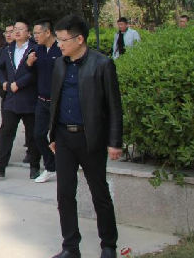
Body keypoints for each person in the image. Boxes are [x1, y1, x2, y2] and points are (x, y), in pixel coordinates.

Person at [49, 14, 123, 258]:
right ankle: (70, 247)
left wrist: (114, 142)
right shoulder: (60, 64)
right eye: (58, 40)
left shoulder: (102, 64)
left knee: (99, 193)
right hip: (64, 138)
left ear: (79, 39)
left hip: (91, 138)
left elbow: (114, 107)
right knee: (64, 194)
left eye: (63, 40)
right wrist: (52, 135)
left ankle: (108, 245)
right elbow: (55, 101)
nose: (59, 45)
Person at [0, 20, 41, 179]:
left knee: (32, 134)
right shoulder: (8, 50)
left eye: (21, 29)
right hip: (11, 98)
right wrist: (4, 82)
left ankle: (34, 167)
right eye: (15, 29)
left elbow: (36, 72)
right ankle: (0, 166)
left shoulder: (35, 49)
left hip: (29, 97)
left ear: (28, 33)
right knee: (6, 132)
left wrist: (18, 84)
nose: (16, 32)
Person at [29, 19, 62, 183]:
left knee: (60, 137)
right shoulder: (37, 50)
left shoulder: (61, 49)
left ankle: (64, 166)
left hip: (58, 101)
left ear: (48, 32)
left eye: (37, 33)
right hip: (42, 100)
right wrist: (29, 64)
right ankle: (51, 166)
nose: (35, 36)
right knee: (39, 134)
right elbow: (31, 73)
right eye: (34, 33)